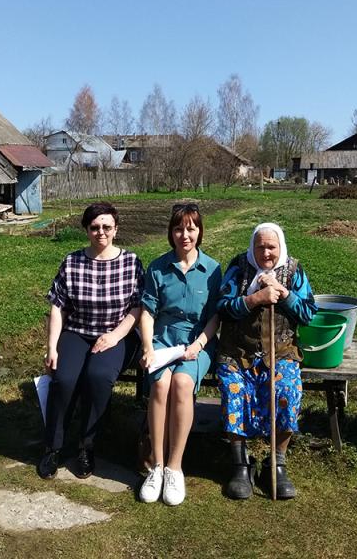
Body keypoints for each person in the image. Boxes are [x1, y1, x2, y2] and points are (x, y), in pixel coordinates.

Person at [38, 202, 144, 480]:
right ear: (86, 229)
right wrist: (52, 348)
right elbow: (57, 307)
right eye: (94, 227)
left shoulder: (131, 262)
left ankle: (87, 445)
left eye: (107, 227)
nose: (101, 232)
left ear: (116, 229)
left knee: (97, 377)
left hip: (116, 333)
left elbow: (136, 308)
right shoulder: (72, 262)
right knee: (65, 379)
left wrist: (115, 336)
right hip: (77, 331)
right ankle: (53, 446)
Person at [216, 222, 317, 500]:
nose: (266, 253)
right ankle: (240, 464)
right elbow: (222, 308)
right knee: (233, 389)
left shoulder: (294, 271)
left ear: (280, 247)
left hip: (281, 350)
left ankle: (276, 463)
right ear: (252, 247)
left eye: (271, 246)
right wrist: (255, 298)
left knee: (287, 390)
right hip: (238, 351)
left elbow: (308, 313)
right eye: (260, 246)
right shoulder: (238, 267)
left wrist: (284, 295)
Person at [138, 203, 221, 506]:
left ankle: (175, 467)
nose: (184, 235)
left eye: (191, 228)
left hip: (197, 341)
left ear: (199, 232)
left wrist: (199, 344)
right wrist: (148, 347)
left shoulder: (212, 269)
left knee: (182, 385)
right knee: (161, 385)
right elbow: (147, 312)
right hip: (163, 340)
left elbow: (215, 316)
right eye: (178, 228)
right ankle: (156, 467)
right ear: (170, 233)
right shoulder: (158, 267)